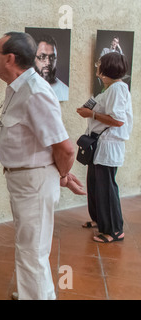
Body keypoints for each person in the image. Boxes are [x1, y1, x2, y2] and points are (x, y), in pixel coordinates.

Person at [0, 32, 76, 300]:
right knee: (28, 247)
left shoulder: (36, 92)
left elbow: (65, 147)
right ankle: (30, 293)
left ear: (10, 58)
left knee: (33, 251)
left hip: (34, 182)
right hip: (24, 181)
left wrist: (62, 175)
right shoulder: (17, 88)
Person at [77, 52, 132, 243]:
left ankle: (114, 230)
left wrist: (90, 114)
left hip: (108, 145)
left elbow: (117, 120)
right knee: (95, 184)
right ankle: (100, 220)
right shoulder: (109, 88)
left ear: (106, 69)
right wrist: (88, 112)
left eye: (99, 64)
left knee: (106, 187)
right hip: (99, 144)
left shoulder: (117, 89)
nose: (97, 67)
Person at [34, 34, 69, 101]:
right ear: (33, 58)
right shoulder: (23, 88)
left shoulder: (65, 92)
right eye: (42, 56)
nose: (48, 62)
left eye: (52, 57)